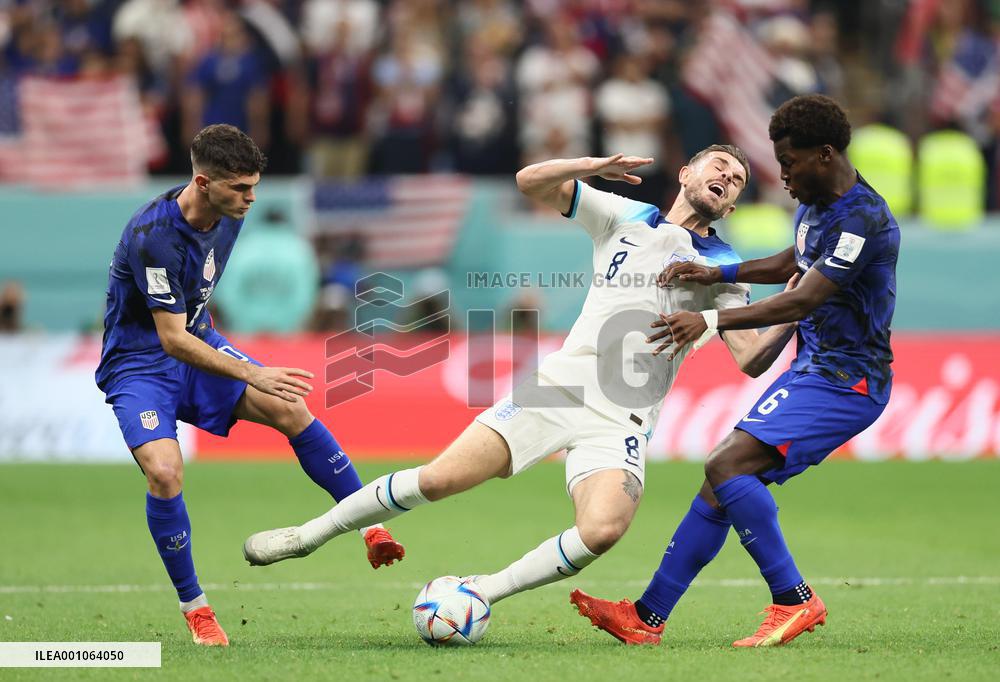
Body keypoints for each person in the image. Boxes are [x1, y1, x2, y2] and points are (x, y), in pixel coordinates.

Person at [242, 144, 799, 618]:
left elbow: (750, 360)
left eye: (738, 180)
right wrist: (592, 164)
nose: (727, 178)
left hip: (624, 418)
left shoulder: (726, 268)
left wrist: (798, 306)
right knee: (438, 480)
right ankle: (308, 536)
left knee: (603, 531)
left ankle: (481, 592)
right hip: (558, 387)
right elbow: (529, 181)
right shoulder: (626, 216)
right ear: (686, 174)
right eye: (719, 166)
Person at [571, 94, 898, 648]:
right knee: (722, 482)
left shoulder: (862, 218)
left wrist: (708, 317)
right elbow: (789, 262)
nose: (783, 177)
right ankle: (647, 617)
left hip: (850, 379)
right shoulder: (817, 205)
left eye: (789, 163)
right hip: (814, 369)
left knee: (727, 465)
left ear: (824, 155)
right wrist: (712, 270)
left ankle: (793, 599)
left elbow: (801, 299)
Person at [94, 124, 404, 647]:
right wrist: (249, 369)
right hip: (139, 365)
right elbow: (169, 338)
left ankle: (370, 526)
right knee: (166, 474)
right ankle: (197, 609)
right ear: (203, 182)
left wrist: (228, 352)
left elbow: (195, 305)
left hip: (199, 342)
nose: (252, 198)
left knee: (292, 408)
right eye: (241, 188)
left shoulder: (229, 216)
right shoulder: (154, 237)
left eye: (254, 186)